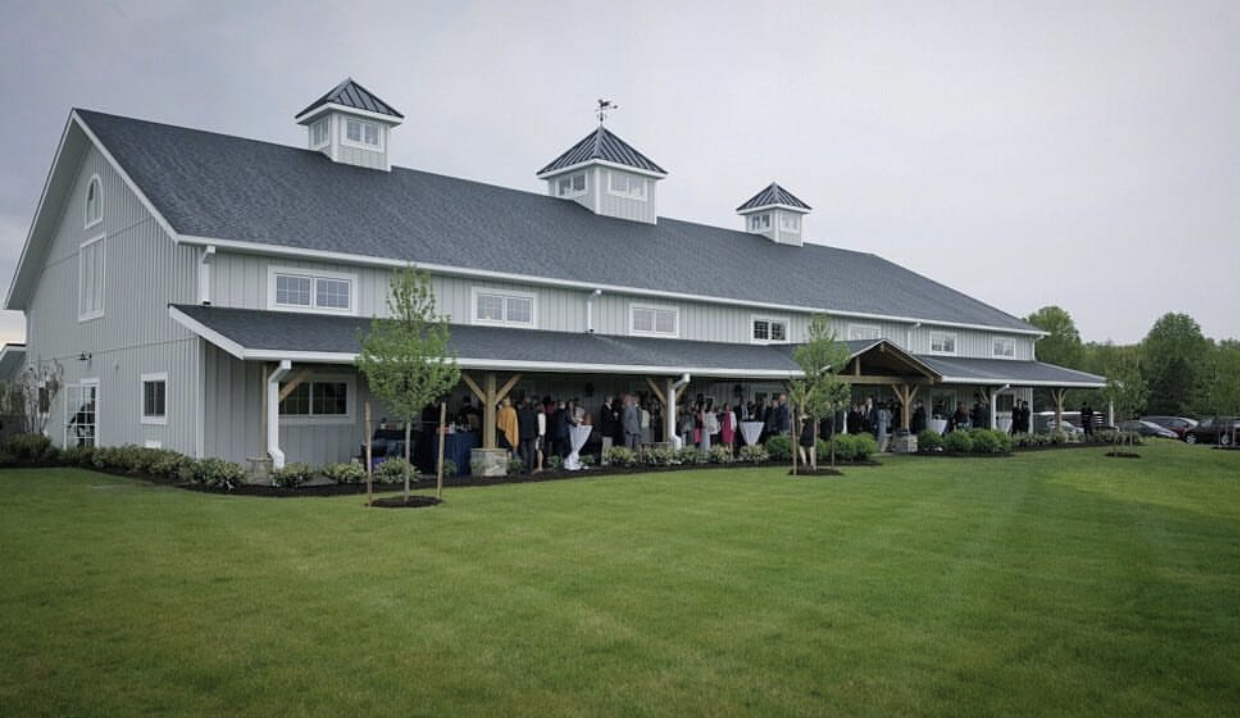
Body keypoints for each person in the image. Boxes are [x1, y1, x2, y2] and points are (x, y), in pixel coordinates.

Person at [516, 398, 538, 473]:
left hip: (523, 434)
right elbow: (536, 425)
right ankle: (530, 469)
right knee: (531, 452)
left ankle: (525, 467)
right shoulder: (534, 412)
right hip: (532, 435)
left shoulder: (520, 412)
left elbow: (518, 424)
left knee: (524, 452)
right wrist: (536, 434)